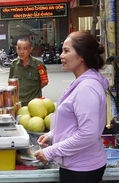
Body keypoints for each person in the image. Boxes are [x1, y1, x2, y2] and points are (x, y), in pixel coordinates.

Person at [35, 31, 108, 183]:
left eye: (66, 51)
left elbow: (88, 133)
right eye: (62, 50)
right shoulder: (81, 82)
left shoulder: (87, 87)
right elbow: (74, 124)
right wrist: (52, 135)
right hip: (77, 166)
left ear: (82, 57)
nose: (61, 55)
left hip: (82, 169)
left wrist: (51, 152)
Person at [9, 37, 48, 106]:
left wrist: (33, 91)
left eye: (25, 48)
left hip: (35, 105)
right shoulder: (14, 64)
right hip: (18, 104)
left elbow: (44, 82)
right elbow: (11, 83)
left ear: (30, 49)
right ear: (16, 49)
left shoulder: (38, 64)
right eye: (19, 48)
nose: (22, 52)